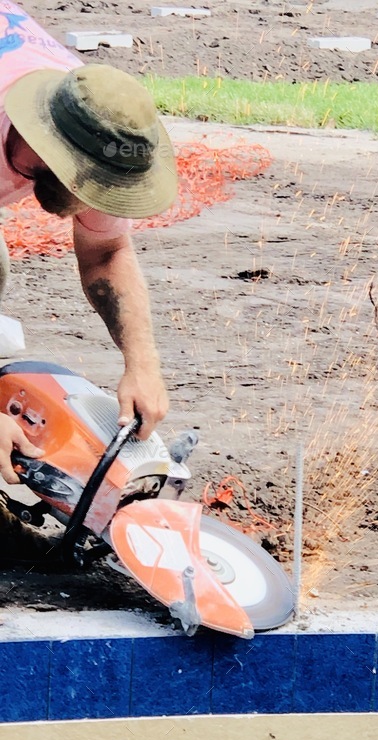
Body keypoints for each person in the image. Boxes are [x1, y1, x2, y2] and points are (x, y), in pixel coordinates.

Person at [0, 1, 178, 487]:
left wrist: (142, 365)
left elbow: (106, 252)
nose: (88, 199)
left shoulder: (92, 121)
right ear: (42, 136)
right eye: (80, 180)